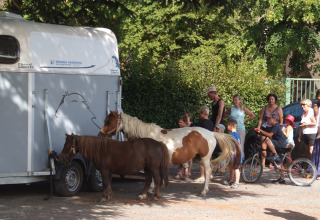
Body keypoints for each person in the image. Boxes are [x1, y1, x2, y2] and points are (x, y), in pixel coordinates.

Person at [193, 106, 214, 183]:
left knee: (202, 159)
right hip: (210, 143)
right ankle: (210, 174)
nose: (199, 114)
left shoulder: (201, 123)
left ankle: (202, 176)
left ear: (203, 113)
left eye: (200, 113)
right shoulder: (211, 122)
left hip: (202, 143)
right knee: (209, 159)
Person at [223, 119, 241, 189]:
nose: (227, 126)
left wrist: (231, 152)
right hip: (233, 154)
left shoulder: (234, 135)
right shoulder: (233, 134)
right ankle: (231, 180)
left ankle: (237, 182)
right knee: (231, 167)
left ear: (231, 126)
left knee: (236, 168)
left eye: (227, 125)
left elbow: (234, 145)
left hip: (236, 154)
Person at [175, 114, 190, 180]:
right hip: (180, 148)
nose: (179, 123)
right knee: (180, 163)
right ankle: (180, 174)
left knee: (185, 163)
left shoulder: (187, 130)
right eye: (179, 122)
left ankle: (186, 175)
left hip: (185, 150)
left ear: (185, 123)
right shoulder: (180, 130)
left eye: (181, 122)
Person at [313, 90, 320, 179]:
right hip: (317, 131)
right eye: (318, 96)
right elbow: (317, 121)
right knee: (317, 152)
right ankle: (317, 171)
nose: (319, 98)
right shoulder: (316, 106)